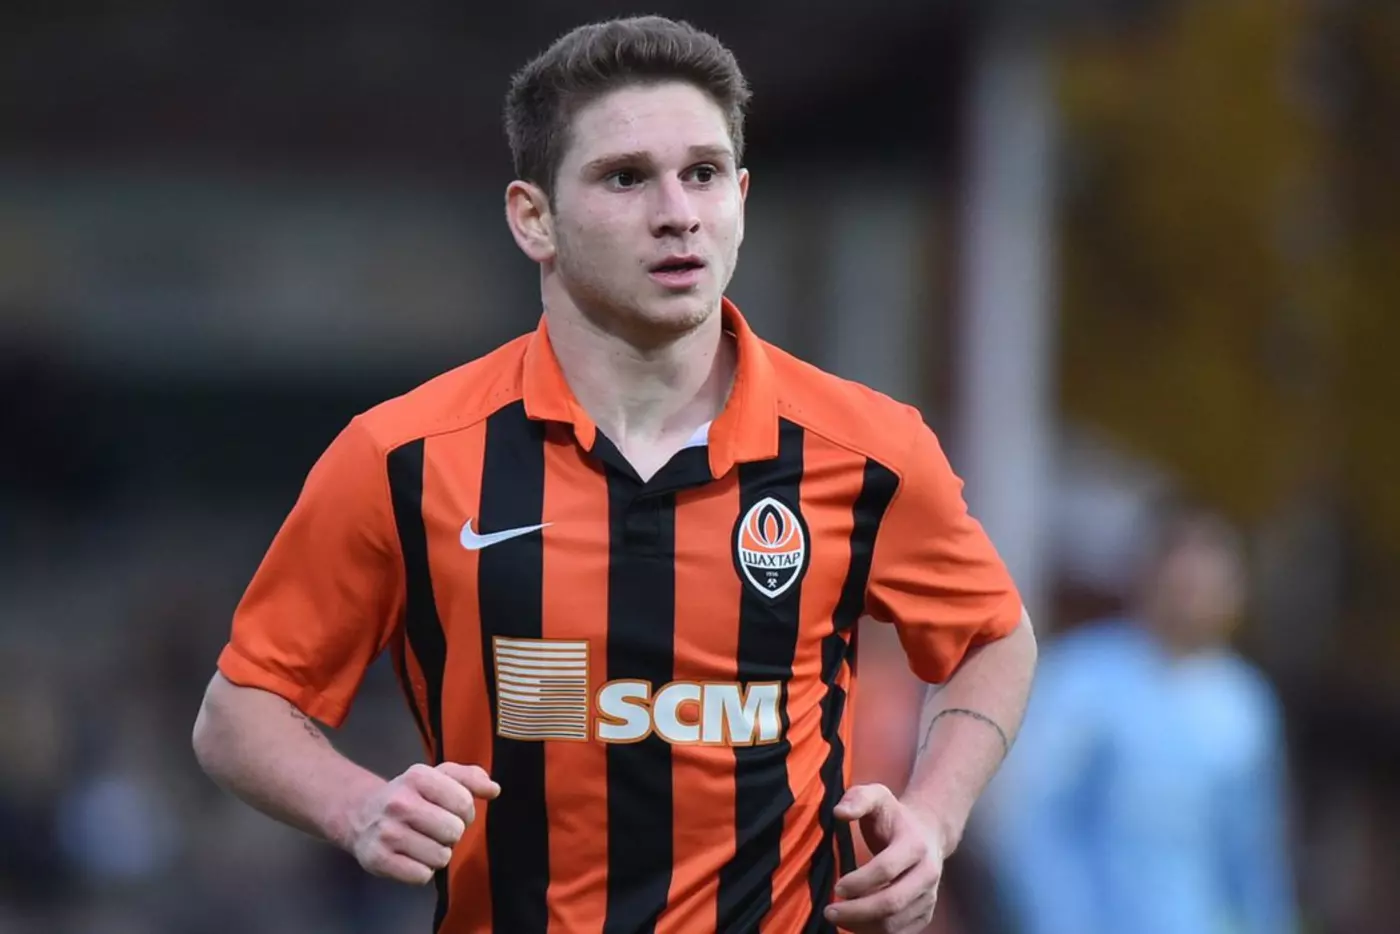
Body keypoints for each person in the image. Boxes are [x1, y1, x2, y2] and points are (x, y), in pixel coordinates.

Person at [191, 15, 1038, 934]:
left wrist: (934, 817)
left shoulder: (868, 449)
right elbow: (239, 711)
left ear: (740, 198)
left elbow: (993, 640)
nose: (677, 212)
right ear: (534, 218)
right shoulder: (404, 456)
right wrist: (358, 806)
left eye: (703, 173)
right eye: (626, 177)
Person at [980, 500, 1298, 934]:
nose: (1195, 597)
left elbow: (1252, 852)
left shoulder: (1244, 705)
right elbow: (1031, 824)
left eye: (1211, 583)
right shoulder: (1081, 680)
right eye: (1185, 581)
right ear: (1150, 576)